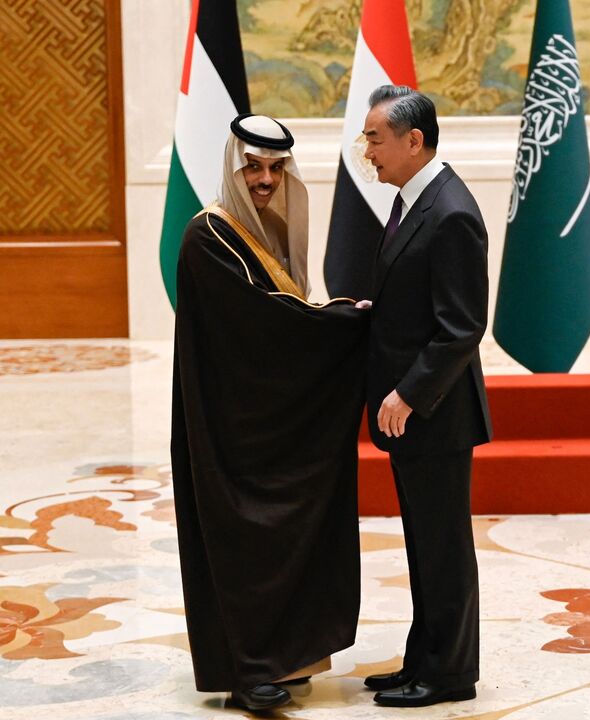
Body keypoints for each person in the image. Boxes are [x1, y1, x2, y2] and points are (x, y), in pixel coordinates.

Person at [170, 114, 369, 712]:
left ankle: (287, 655)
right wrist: (341, 322)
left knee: (286, 532)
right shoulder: (209, 235)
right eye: (252, 168)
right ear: (235, 169)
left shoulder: (264, 230)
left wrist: (328, 320)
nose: (264, 180)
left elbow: (278, 319)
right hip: (228, 429)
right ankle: (245, 669)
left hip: (264, 417)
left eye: (275, 169)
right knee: (244, 542)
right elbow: (262, 325)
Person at [358, 85, 492, 708]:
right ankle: (423, 658)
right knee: (423, 543)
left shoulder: (452, 212)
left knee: (442, 548)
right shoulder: (414, 199)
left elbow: (462, 326)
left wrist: (407, 395)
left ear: (414, 141)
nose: (368, 151)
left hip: (434, 413)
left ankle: (449, 673)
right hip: (414, 413)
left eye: (376, 139)